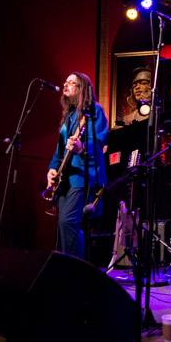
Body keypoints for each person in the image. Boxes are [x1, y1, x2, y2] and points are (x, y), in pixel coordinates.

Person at [46, 72, 109, 260]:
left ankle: (75, 273)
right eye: (65, 82)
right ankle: (66, 269)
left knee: (68, 223)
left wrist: (82, 147)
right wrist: (52, 169)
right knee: (63, 226)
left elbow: (98, 141)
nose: (65, 85)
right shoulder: (68, 117)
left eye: (71, 83)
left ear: (82, 89)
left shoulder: (94, 111)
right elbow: (59, 151)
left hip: (83, 177)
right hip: (66, 180)